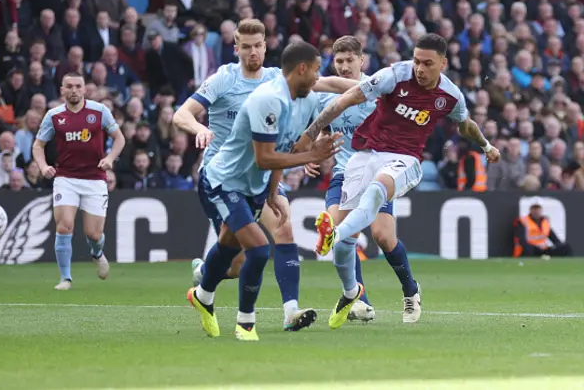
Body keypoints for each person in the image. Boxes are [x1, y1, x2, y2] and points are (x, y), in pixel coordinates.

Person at [295, 33, 501, 328]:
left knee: (376, 210)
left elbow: (465, 124)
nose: (419, 68)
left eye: (427, 63)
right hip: (363, 158)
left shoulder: (450, 95)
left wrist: (486, 146)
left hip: (403, 160)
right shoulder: (393, 76)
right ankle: (353, 293)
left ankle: (407, 288)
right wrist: (309, 137)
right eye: (416, 61)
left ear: (442, 64)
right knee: (351, 241)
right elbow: (342, 96)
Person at [173, 19, 354, 331]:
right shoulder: (224, 79)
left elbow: (329, 84)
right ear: (236, 48)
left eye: (257, 45)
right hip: (225, 176)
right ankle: (205, 278)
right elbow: (181, 114)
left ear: (266, 46)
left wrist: (377, 88)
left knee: (284, 231)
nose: (252, 52)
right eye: (246, 47)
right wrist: (200, 127)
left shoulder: (276, 79)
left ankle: (291, 312)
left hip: (263, 173)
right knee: (238, 260)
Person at [32, 72, 126, 290]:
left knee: (93, 234)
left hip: (94, 179)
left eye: (77, 86)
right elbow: (38, 145)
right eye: (69, 86)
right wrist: (44, 166)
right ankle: (65, 278)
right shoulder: (54, 116)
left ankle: (97, 252)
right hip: (66, 177)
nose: (73, 90)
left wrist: (110, 158)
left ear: (85, 89)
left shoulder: (99, 111)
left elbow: (119, 138)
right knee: (64, 226)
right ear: (62, 90)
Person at [306, 36, 377, 322]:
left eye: (350, 61)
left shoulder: (377, 88)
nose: (345, 66)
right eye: (339, 61)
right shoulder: (324, 97)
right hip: (343, 174)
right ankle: (359, 299)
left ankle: (410, 290)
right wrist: (312, 154)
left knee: (384, 238)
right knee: (338, 232)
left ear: (362, 61)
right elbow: (323, 130)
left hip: (377, 175)